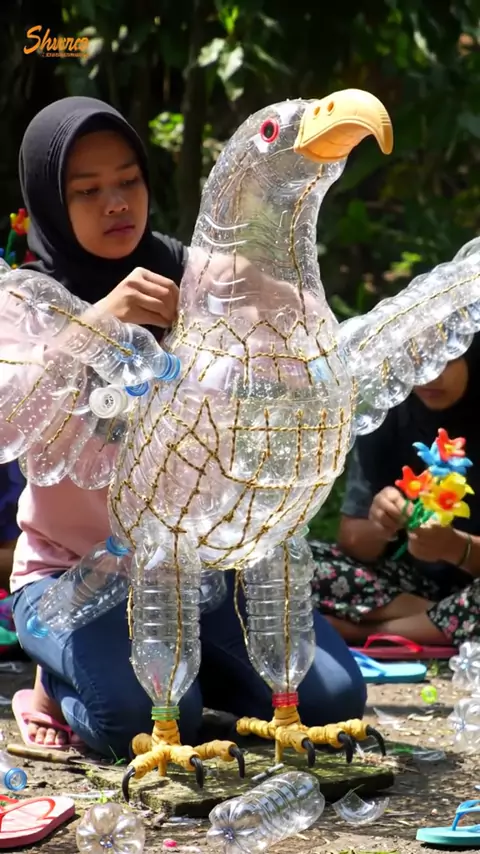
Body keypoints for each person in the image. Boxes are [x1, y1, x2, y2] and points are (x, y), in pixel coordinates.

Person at [10, 96, 366, 755]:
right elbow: (13, 409)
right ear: (50, 203)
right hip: (75, 582)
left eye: (129, 180)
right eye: (87, 190)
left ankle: (203, 690)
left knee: (332, 699)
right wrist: (99, 324)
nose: (116, 202)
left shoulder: (203, 275)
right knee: (134, 722)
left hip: (203, 575)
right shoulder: (25, 307)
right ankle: (53, 685)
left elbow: (311, 340)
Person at [311, 339, 480, 647]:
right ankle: (441, 619)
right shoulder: (386, 418)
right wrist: (381, 524)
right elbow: (353, 543)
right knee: (295, 563)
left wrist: (456, 547)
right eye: (417, 360)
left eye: (446, 359)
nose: (430, 374)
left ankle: (365, 633)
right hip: (410, 588)